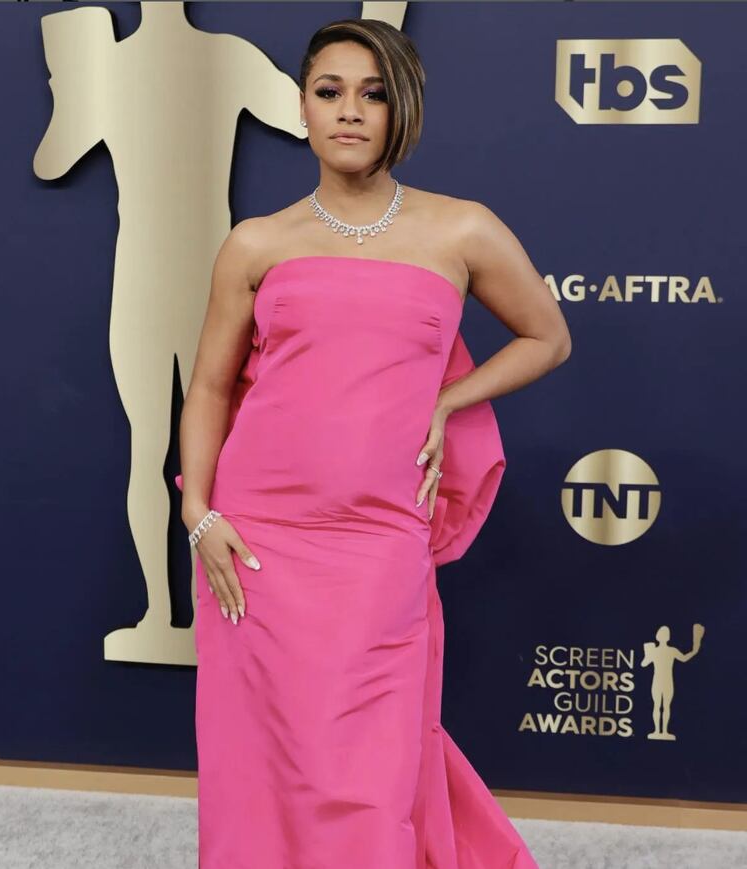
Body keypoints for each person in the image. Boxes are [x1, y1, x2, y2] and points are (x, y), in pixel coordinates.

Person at [176, 18, 570, 869]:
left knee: (371, 765)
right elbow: (208, 386)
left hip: (382, 534)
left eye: (373, 93)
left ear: (403, 109)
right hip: (256, 537)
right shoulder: (256, 241)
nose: (349, 111)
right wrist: (199, 512)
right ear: (303, 108)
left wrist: (450, 398)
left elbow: (548, 335)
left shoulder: (461, 231)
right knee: (256, 761)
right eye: (330, 92)